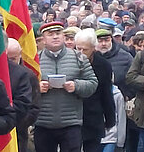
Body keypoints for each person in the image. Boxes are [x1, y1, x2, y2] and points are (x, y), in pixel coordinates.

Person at [35, 21, 98, 152]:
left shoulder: (78, 58)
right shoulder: (35, 60)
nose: (55, 37)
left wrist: (76, 86)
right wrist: (37, 88)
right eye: (50, 34)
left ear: (63, 36)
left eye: (58, 33)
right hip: (43, 122)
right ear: (43, 39)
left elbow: (93, 83)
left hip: (71, 123)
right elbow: (23, 88)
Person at [75, 29, 115, 152]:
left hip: (93, 116)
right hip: (73, 116)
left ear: (93, 48)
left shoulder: (103, 65)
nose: (81, 53)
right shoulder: (70, 61)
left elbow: (106, 94)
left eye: (85, 50)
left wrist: (110, 119)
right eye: (78, 49)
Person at [6, 38, 39, 152]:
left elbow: (34, 107)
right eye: (7, 59)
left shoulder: (28, 75)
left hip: (19, 130)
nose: (10, 62)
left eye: (13, 59)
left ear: (20, 55)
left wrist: (19, 123)